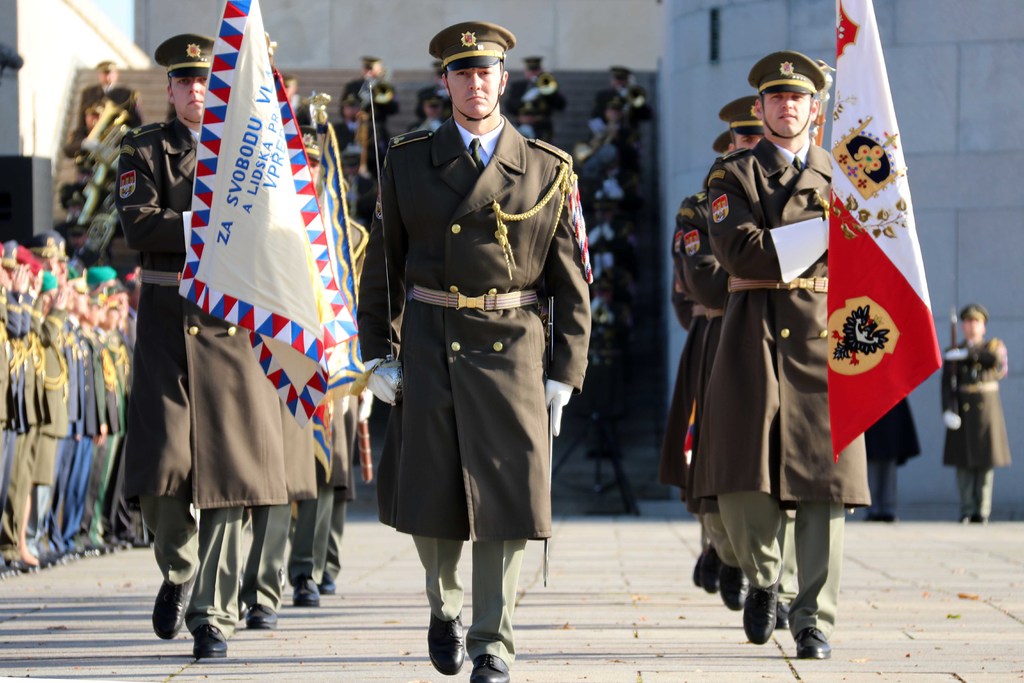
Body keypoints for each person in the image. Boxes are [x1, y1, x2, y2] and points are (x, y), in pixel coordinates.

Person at [357, 20, 591, 683]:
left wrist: (566, 372)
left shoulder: (547, 167)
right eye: (462, 72)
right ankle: (444, 605)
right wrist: (378, 350)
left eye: (485, 71)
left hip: (514, 347)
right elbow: (384, 266)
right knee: (432, 495)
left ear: (504, 79)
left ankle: (493, 642)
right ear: (445, 83)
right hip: (432, 343)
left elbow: (569, 282)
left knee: (506, 498)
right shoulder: (407, 160)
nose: (475, 82)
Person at [115, 33, 295, 660]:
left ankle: (211, 616)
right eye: (184, 82)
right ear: (168, 90)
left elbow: (277, 226)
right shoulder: (145, 149)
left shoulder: (248, 154)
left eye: (206, 80)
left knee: (228, 476)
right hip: (167, 324)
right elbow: (138, 225)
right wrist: (211, 223)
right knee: (162, 470)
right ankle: (179, 565)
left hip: (231, 326)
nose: (196, 91)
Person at [702, 51, 869, 660]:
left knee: (827, 483)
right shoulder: (734, 176)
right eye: (775, 98)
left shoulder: (850, 175)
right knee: (746, 476)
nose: (786, 106)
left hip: (828, 337)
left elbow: (881, 249)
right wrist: (832, 231)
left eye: (797, 98)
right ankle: (767, 575)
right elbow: (741, 255)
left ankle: (813, 618)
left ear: (815, 108)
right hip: (755, 334)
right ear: (762, 106)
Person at [941, 303, 1011, 524]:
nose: (971, 326)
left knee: (985, 462)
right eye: (968, 322)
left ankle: (982, 510)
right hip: (963, 410)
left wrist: (968, 353)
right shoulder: (954, 350)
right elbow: (946, 385)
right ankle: (967, 508)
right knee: (964, 463)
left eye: (976, 322)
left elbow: (995, 361)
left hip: (986, 413)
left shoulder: (993, 347)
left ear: (983, 326)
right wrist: (946, 410)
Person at [863, 398, 920, 522]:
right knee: (872, 471)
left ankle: (888, 509)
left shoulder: (893, 383)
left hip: (891, 430)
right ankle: (873, 509)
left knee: (889, 472)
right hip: (872, 429)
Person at [503, 56, 566, 142]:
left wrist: (547, 89)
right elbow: (509, 106)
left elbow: (561, 105)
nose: (533, 73)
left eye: (536, 70)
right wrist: (524, 100)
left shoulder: (547, 85)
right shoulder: (518, 86)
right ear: (526, 71)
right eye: (530, 70)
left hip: (542, 128)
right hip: (521, 126)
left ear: (541, 70)